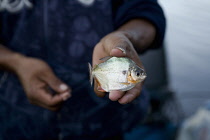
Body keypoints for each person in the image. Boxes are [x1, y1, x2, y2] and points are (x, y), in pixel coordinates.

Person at [0, 0, 165, 139]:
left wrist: (126, 36)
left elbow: (146, 9)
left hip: (108, 123)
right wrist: (17, 63)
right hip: (15, 120)